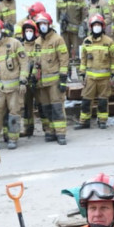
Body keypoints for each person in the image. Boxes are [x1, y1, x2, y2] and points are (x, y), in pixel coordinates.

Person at [0, 18, 27, 149]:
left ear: (2, 30)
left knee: (14, 113)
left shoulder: (14, 44)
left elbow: (24, 63)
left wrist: (23, 81)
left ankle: (13, 139)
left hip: (14, 88)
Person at [31, 11, 69, 144]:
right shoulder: (37, 42)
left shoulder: (57, 39)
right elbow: (36, 62)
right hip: (42, 83)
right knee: (46, 109)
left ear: (49, 24)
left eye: (44, 23)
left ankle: (61, 134)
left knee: (57, 108)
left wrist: (63, 79)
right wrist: (33, 77)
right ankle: (50, 131)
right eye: (40, 24)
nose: (42, 26)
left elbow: (64, 60)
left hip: (54, 82)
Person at [76, 14, 114, 130]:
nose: (96, 27)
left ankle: (102, 121)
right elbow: (83, 60)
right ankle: (84, 121)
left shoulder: (109, 41)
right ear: (91, 26)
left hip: (104, 78)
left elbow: (113, 59)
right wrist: (81, 74)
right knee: (86, 100)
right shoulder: (86, 41)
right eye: (94, 25)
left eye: (99, 25)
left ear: (102, 26)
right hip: (90, 78)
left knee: (103, 101)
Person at [56, 0, 87, 79]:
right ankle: (67, 74)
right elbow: (56, 15)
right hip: (64, 32)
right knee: (65, 53)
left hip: (77, 33)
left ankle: (80, 73)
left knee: (79, 52)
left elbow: (85, 15)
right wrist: (58, 24)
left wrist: (83, 26)